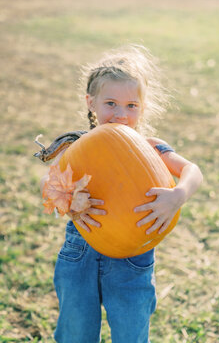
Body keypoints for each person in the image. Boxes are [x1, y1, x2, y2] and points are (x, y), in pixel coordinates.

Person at [40, 44, 203, 343]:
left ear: (142, 107)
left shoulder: (151, 146)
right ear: (91, 102)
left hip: (133, 257)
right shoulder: (78, 149)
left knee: (131, 332)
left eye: (131, 106)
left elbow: (193, 170)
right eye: (111, 103)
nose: (120, 114)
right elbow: (47, 186)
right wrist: (68, 198)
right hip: (81, 253)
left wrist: (178, 195)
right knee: (75, 331)